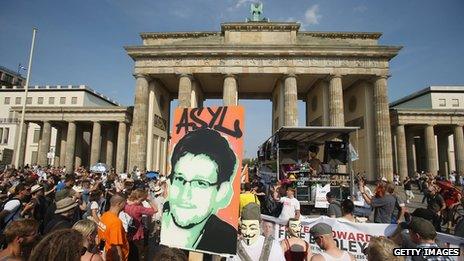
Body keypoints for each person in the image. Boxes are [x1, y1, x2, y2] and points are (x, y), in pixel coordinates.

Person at [161, 128, 238, 255]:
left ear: (222, 192)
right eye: (180, 179)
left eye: (200, 183)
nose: (185, 194)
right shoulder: (157, 229)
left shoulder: (227, 239)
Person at [125, 188, 157, 261]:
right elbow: (155, 210)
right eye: (142, 200)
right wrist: (149, 200)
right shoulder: (138, 208)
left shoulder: (125, 204)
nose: (143, 201)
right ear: (138, 198)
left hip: (127, 231)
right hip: (137, 232)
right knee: (138, 250)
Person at [99, 193, 129, 261]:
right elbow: (116, 247)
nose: (126, 205)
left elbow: (102, 238)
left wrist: (101, 254)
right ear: (119, 204)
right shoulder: (116, 222)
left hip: (106, 255)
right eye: (125, 203)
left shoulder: (104, 216)